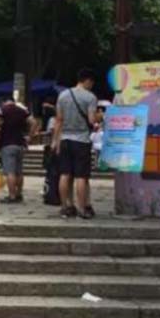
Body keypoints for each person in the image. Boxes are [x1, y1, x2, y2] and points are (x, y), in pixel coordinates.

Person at [52, 67, 98, 219]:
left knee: (64, 174)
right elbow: (91, 120)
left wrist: (55, 141)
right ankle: (82, 208)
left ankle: (65, 207)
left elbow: (59, 120)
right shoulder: (90, 97)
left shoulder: (63, 95)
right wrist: (99, 118)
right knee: (81, 176)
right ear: (88, 81)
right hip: (82, 140)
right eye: (92, 83)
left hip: (65, 139)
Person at [0, 97, 36, 204]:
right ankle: (19, 194)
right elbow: (33, 122)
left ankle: (12, 196)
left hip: (7, 143)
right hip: (20, 144)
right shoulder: (22, 110)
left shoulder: (2, 110)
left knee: (10, 172)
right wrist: (30, 137)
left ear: (4, 102)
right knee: (19, 171)